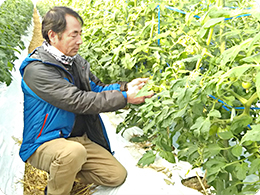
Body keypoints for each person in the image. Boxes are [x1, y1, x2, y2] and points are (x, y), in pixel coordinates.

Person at [19, 6, 153, 195]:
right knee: (72, 153)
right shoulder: (37, 70)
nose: (80, 41)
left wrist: (125, 87)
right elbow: (78, 100)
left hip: (76, 139)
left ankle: (67, 170)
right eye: (73, 35)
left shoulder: (75, 62)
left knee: (116, 175)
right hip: (45, 141)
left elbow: (96, 89)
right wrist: (125, 98)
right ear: (53, 35)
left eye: (80, 34)